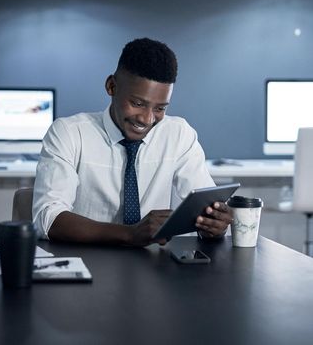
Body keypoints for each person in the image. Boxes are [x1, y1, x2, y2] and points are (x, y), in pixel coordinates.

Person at [32, 38, 232, 247]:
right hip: (87, 262)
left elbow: (204, 206)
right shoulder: (69, 133)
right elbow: (48, 218)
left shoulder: (179, 134)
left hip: (154, 268)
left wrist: (214, 225)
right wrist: (129, 234)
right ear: (111, 86)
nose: (147, 119)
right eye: (137, 103)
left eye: (160, 108)